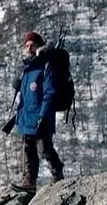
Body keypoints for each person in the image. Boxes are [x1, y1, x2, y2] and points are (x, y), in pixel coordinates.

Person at [4, 30, 65, 194]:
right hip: (26, 117)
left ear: (39, 46)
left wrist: (43, 116)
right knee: (28, 150)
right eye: (27, 46)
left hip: (40, 117)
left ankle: (58, 177)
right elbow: (26, 95)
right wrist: (18, 85)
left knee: (45, 148)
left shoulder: (46, 65)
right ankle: (29, 181)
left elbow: (49, 93)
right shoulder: (27, 68)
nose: (29, 48)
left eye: (32, 45)